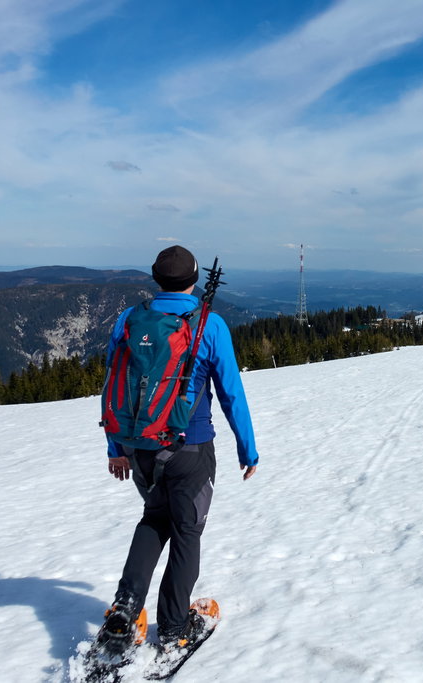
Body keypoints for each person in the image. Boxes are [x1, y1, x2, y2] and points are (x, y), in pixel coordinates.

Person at [96, 245, 259, 660]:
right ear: (195, 278)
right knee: (186, 532)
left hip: (140, 447)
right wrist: (248, 449)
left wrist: (117, 447)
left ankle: (125, 610)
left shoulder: (130, 319)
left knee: (154, 518)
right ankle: (172, 628)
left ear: (155, 278)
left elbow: (114, 384)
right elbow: (230, 393)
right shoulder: (210, 324)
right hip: (191, 448)